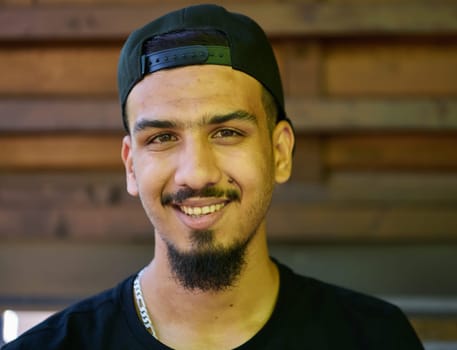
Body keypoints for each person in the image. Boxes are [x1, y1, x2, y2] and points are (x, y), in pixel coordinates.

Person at [2, 4, 424, 349]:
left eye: (226, 133)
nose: (197, 173)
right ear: (131, 165)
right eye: (163, 137)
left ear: (279, 152)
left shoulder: (374, 339)